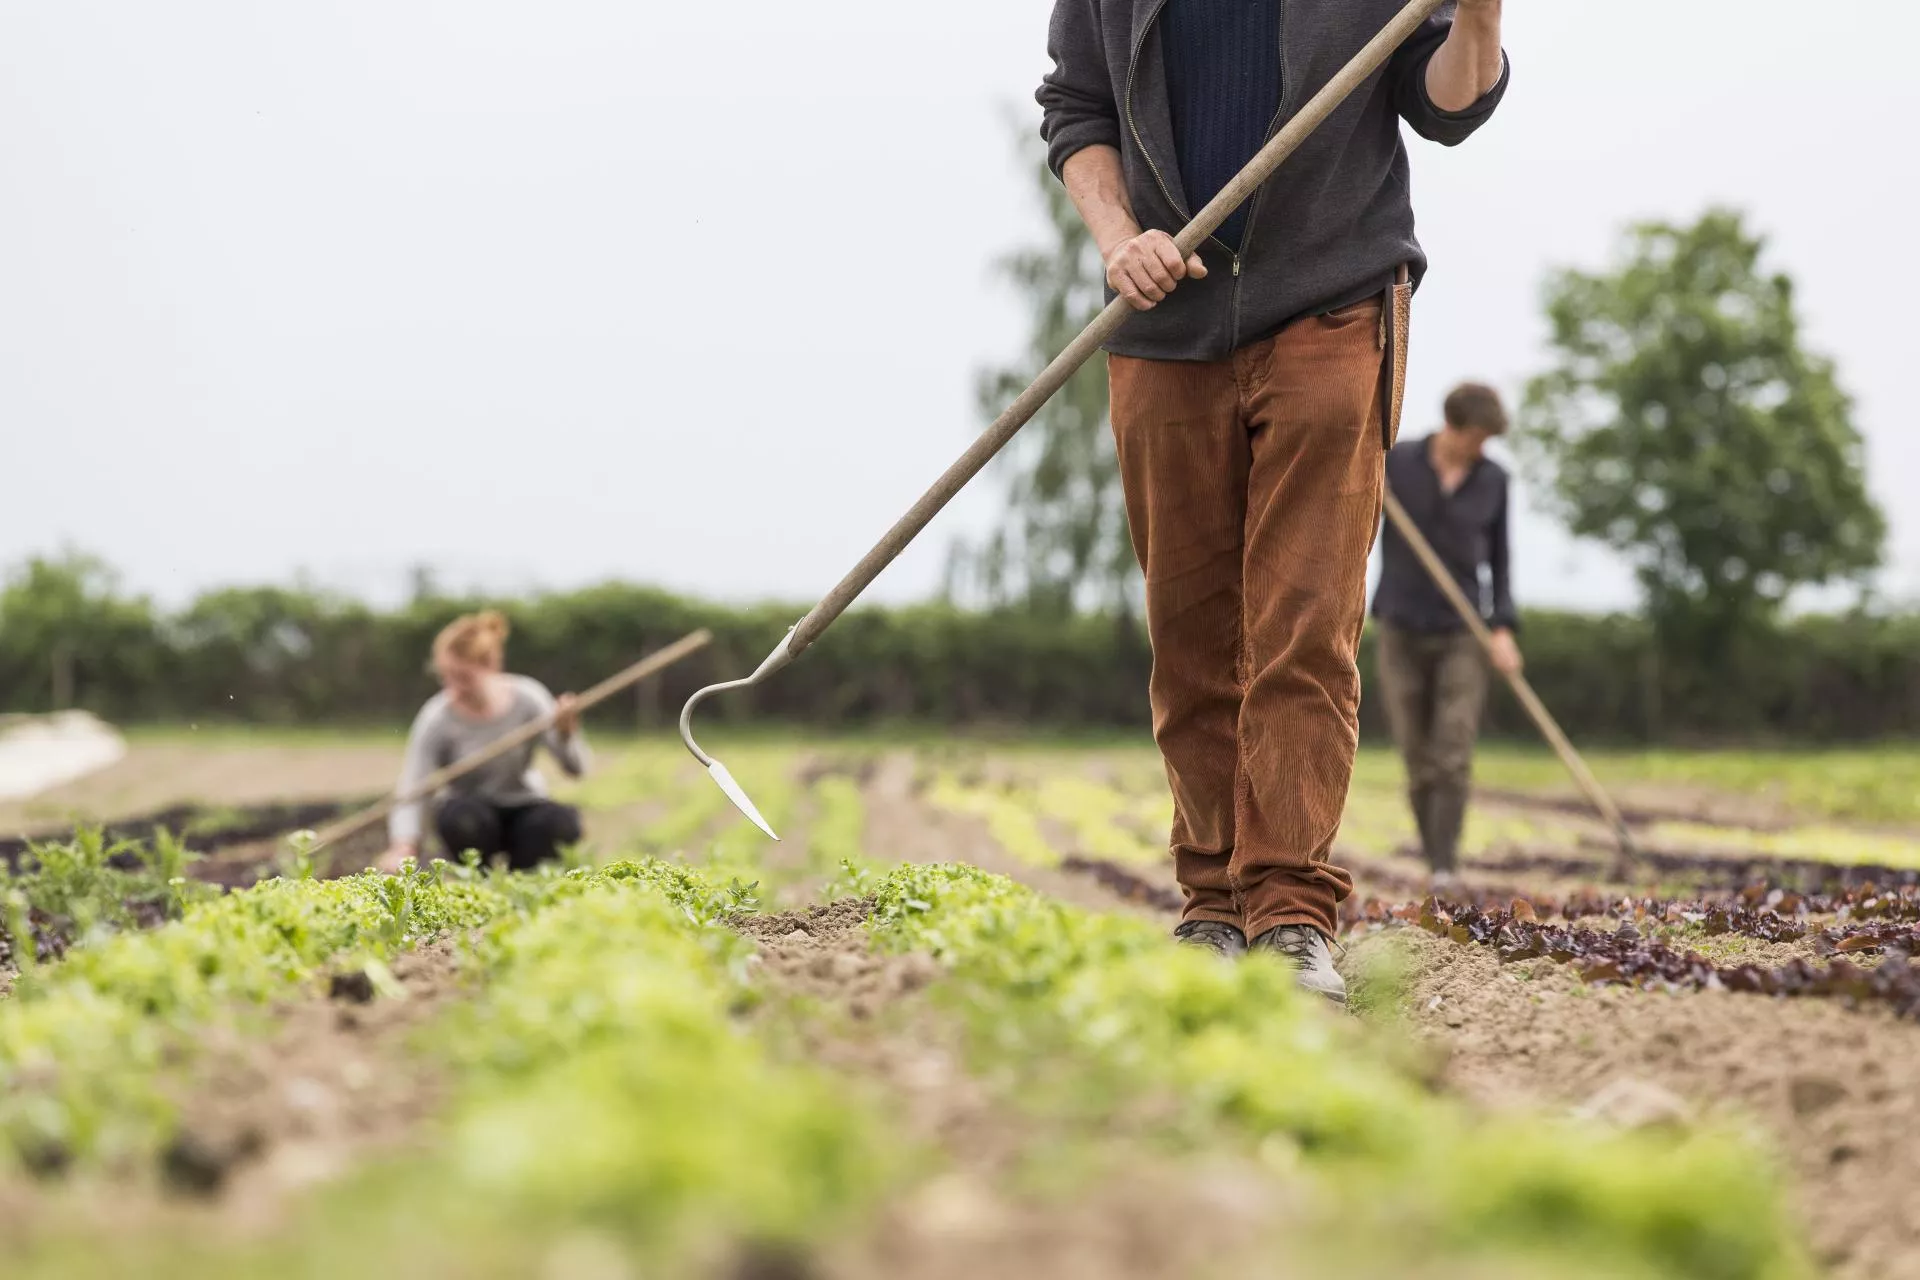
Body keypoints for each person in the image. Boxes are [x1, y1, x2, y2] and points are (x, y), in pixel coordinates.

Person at [1037, 0, 1510, 1000]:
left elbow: (1446, 105)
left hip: (1330, 303)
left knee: (1304, 624)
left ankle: (1291, 913)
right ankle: (1211, 905)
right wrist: (1120, 238)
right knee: (1190, 633)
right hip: (1165, 321)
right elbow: (1077, 109)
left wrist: (1480, 18)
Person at [1372, 382, 1520, 887]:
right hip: (1400, 626)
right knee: (1417, 757)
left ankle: (1444, 868)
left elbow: (1501, 560)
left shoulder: (1494, 480)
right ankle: (1434, 858)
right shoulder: (1396, 463)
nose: (1481, 449)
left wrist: (1502, 627)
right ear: (1453, 427)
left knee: (1452, 752)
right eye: (1477, 438)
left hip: (1464, 631)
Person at [375, 610, 590, 873]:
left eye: (463, 677)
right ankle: (477, 877)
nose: (452, 687)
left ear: (491, 666)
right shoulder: (437, 717)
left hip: (524, 806)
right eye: (446, 676)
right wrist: (403, 847)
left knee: (558, 823)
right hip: (473, 815)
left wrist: (566, 735)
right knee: (462, 819)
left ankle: (525, 878)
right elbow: (415, 784)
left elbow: (576, 769)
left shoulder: (528, 698)